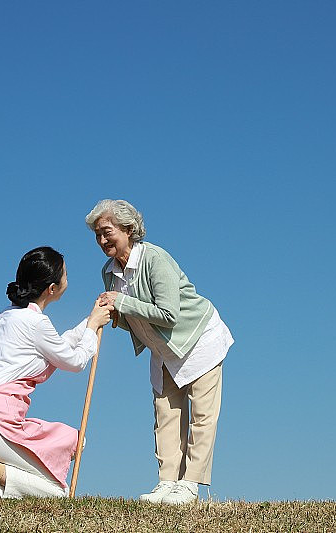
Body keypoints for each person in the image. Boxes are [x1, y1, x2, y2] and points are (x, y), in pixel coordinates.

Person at [86, 199, 234, 505]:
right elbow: (135, 318)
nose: (101, 240)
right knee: (165, 414)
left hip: (198, 339)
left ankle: (189, 485)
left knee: (202, 416)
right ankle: (167, 483)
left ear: (128, 229)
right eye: (97, 234)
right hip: (163, 350)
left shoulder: (155, 259)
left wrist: (121, 303)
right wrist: (113, 316)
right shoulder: (108, 272)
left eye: (106, 232)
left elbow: (168, 314)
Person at [0, 246, 113, 499]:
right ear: (52, 289)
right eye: (65, 275)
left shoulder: (5, 316)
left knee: (68, 444)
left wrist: (92, 320)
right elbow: (76, 361)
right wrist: (92, 327)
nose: (68, 279)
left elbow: (57, 346)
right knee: (58, 489)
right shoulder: (36, 323)